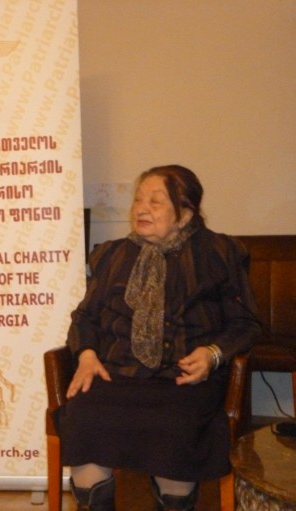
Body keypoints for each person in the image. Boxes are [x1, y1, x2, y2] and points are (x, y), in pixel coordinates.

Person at [53, 165, 260, 511]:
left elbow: (246, 323)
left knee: (175, 425)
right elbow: (85, 317)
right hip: (117, 375)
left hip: (183, 380)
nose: (141, 209)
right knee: (85, 414)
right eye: (138, 200)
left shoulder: (218, 253)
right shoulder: (113, 255)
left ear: (185, 213)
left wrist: (212, 354)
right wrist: (86, 355)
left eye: (155, 201)